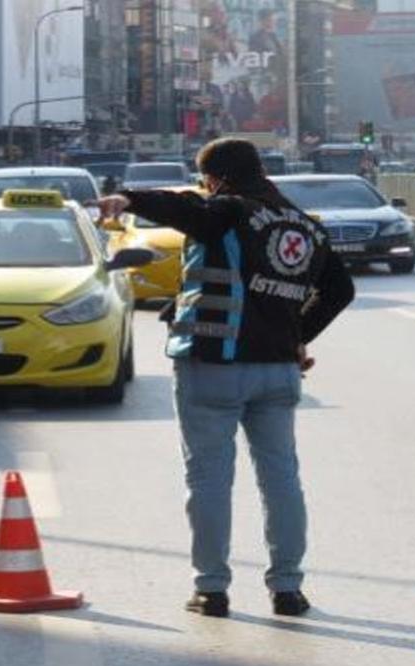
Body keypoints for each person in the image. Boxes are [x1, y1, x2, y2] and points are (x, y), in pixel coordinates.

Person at [98, 138, 354, 618]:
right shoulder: (304, 226)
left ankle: (212, 589)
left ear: (215, 179)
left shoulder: (229, 210)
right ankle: (288, 589)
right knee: (281, 479)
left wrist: (129, 198)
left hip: (215, 365)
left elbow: (188, 209)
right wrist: (298, 336)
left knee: (210, 480)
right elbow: (340, 290)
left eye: (205, 182)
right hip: (278, 371)